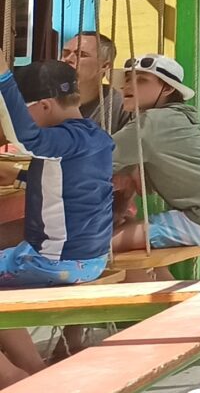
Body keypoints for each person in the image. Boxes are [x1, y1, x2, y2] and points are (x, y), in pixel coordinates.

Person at [0, 61, 116, 379]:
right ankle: (34, 370)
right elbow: (69, 185)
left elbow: (28, 140)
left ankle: (13, 379)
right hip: (89, 259)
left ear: (46, 106)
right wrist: (20, 176)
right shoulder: (95, 137)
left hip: (53, 262)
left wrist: (4, 78)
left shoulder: (63, 140)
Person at [109, 55, 200, 260]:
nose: (127, 86)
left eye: (141, 80)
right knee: (136, 254)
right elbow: (136, 180)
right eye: (126, 79)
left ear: (167, 89)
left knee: (97, 246)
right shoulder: (174, 118)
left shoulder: (152, 122)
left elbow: (95, 161)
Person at [61, 32, 120, 132]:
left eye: (81, 55)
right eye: (65, 54)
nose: (68, 59)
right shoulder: (44, 101)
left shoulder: (121, 106)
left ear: (105, 66)